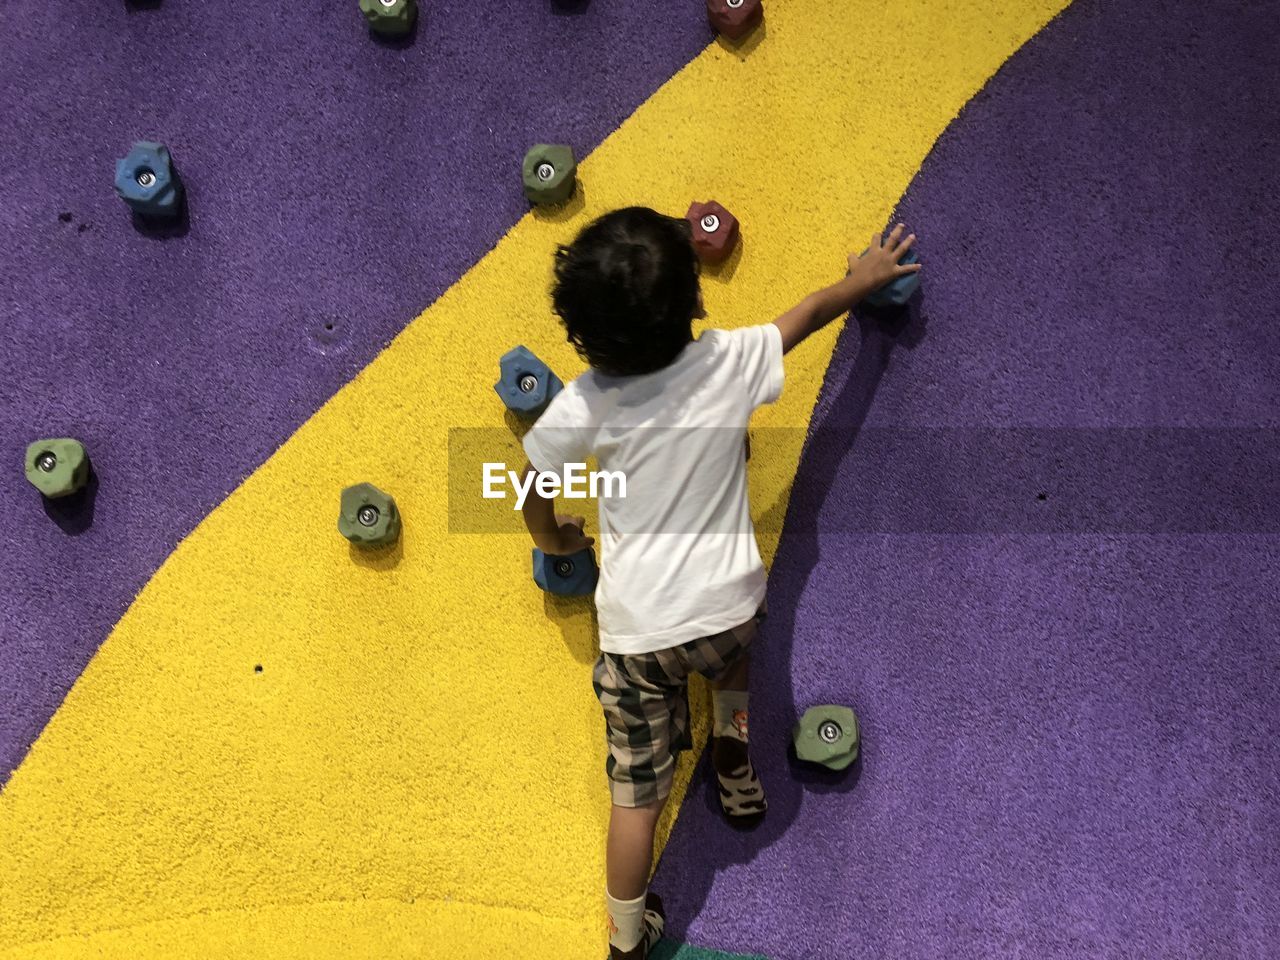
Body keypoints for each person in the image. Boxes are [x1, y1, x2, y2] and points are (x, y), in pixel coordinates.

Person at [518, 207, 919, 959]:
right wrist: (860, 280)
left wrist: (554, 535)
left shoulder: (584, 402)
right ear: (696, 299)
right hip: (729, 609)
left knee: (636, 799)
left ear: (583, 334)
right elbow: (805, 316)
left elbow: (532, 485)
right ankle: (733, 758)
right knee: (731, 668)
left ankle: (626, 939)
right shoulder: (728, 362)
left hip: (639, 639)